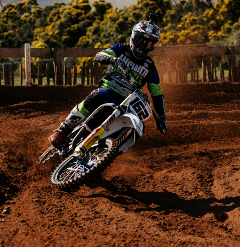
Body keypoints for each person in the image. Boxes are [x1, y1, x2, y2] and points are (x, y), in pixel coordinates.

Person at [48, 13, 167, 148]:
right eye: (141, 40)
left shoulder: (149, 67)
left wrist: (162, 117)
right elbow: (100, 55)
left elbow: (156, 92)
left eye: (148, 43)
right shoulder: (121, 49)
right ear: (134, 37)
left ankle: (106, 151)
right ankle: (64, 130)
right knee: (96, 97)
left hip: (127, 104)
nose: (143, 45)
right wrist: (112, 59)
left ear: (153, 46)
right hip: (108, 91)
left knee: (136, 127)